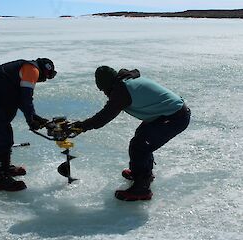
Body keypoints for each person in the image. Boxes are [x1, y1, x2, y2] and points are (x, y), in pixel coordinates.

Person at [72, 66, 191, 201]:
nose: (105, 93)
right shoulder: (125, 80)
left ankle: (142, 189)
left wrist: (82, 126)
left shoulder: (121, 91)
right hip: (164, 114)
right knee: (141, 138)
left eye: (104, 89)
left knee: (140, 146)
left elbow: (104, 117)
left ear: (108, 85)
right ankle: (142, 173)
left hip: (174, 116)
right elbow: (135, 72)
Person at [0, 58, 57, 191]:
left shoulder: (28, 68)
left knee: (5, 130)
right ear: (46, 71)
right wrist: (30, 119)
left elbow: (20, 99)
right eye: (47, 77)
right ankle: (0, 180)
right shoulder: (32, 70)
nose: (43, 81)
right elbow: (26, 98)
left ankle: (4, 167)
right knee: (3, 136)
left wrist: (34, 117)